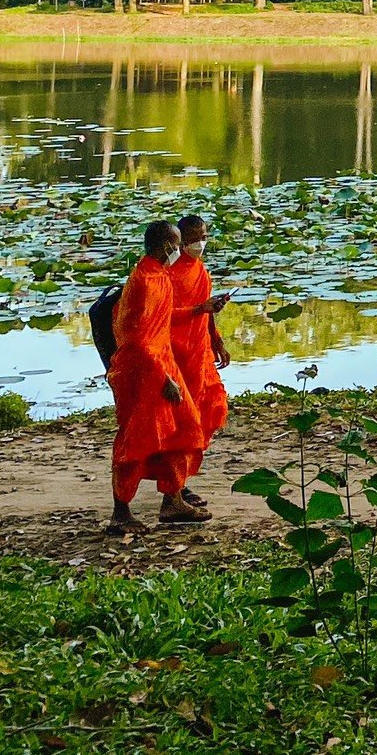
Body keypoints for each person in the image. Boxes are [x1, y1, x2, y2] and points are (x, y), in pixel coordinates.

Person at [107, 218, 207, 535]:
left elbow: (163, 320)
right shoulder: (144, 282)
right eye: (177, 244)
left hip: (161, 363)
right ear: (166, 246)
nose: (180, 250)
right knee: (137, 440)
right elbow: (136, 339)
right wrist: (163, 379)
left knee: (183, 430)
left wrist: (198, 310)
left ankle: (173, 500)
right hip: (142, 371)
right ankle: (120, 514)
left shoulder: (157, 274)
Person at [168, 211, 232, 510]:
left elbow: (204, 311)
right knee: (182, 422)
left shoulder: (199, 270)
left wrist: (216, 340)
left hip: (199, 350)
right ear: (181, 242)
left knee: (210, 408)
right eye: (195, 239)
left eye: (204, 238)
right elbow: (162, 317)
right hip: (175, 352)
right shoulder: (168, 273)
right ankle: (175, 489)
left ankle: (182, 481)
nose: (200, 244)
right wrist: (198, 309)